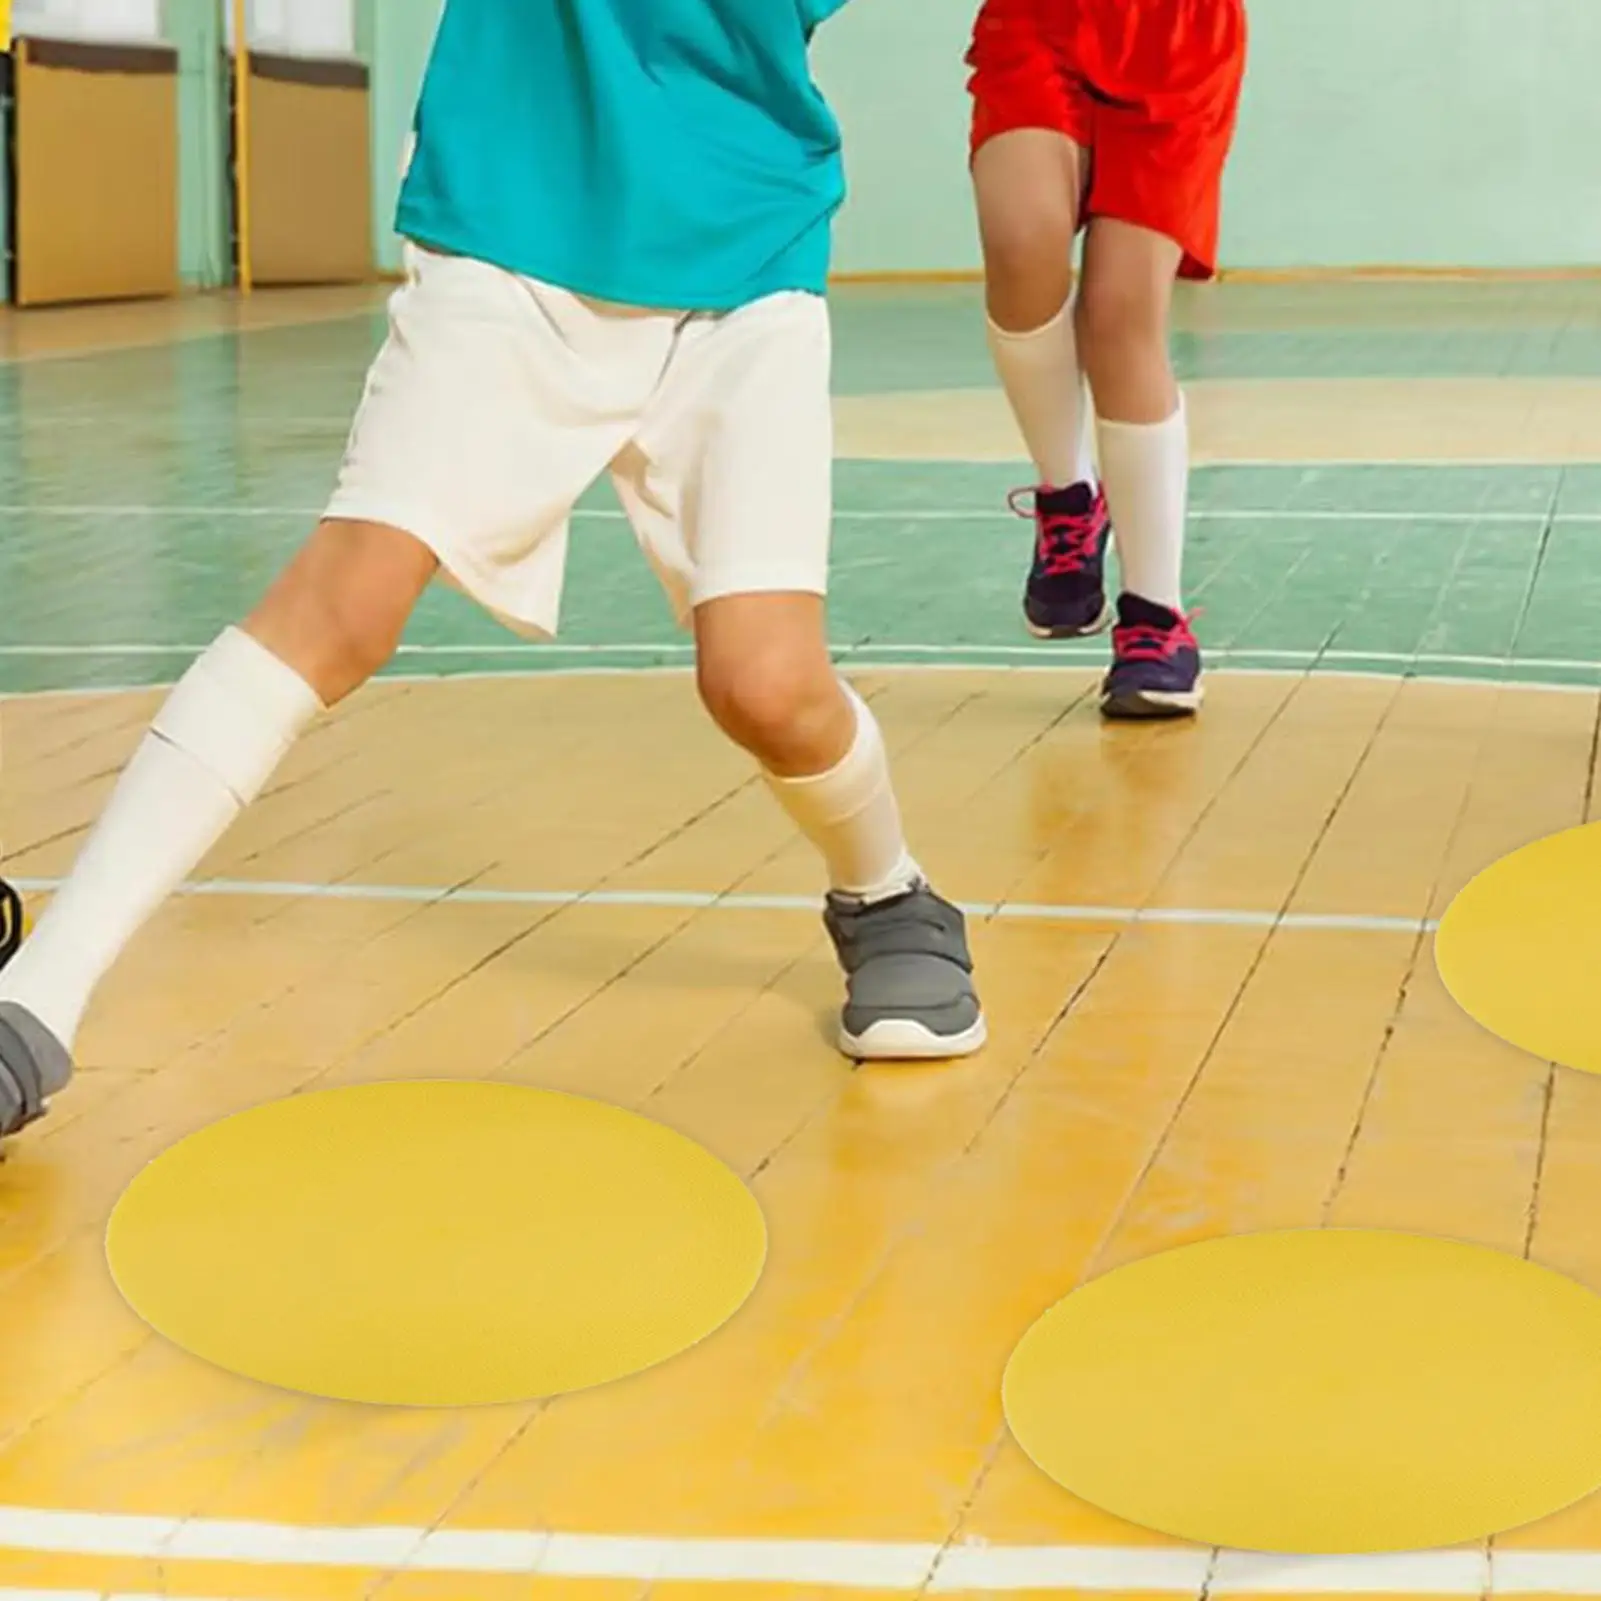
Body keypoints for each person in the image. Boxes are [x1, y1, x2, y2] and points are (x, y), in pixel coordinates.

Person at [0, 0, 988, 1140]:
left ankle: (887, 891)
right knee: (347, 598)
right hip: (509, 213)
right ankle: (39, 993)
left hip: (742, 243)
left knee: (764, 682)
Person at [968, 0, 1248, 718]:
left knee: (1120, 316)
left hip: (1177, 38)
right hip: (1038, 23)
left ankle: (1155, 619)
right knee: (1020, 243)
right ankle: (1068, 497)